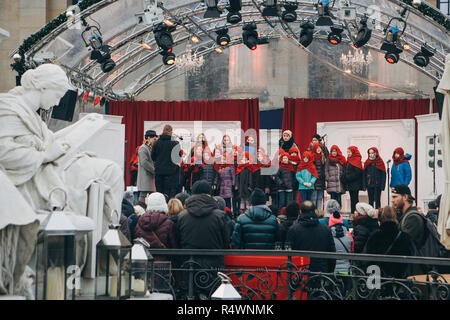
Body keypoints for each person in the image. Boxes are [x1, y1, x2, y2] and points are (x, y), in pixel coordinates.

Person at [176, 180, 230, 298]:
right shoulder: (219, 215)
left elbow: (178, 241)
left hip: (189, 264)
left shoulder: (182, 216)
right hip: (214, 266)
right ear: (209, 195)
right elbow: (226, 243)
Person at [365, 206, 415, 278]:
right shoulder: (404, 236)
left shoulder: (375, 236)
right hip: (399, 278)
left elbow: (368, 256)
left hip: (379, 277)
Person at [287, 201, 336, 273]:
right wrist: (330, 271)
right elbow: (332, 252)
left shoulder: (293, 230)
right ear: (315, 211)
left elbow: (289, 253)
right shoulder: (326, 229)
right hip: (321, 271)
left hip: (300, 271)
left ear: (300, 212)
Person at [134, 193, 177, 264]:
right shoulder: (168, 223)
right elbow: (173, 245)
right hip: (163, 264)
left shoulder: (140, 222)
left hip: (144, 263)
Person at [151, 124, 181, 199]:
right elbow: (177, 158)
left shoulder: (156, 143)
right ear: (171, 131)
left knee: (159, 194)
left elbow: (153, 157)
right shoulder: (175, 143)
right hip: (171, 172)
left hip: (159, 172)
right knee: (169, 194)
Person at [137, 130, 158, 202]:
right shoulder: (143, 148)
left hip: (149, 176)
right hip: (145, 176)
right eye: (154, 139)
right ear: (148, 138)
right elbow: (144, 162)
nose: (155, 141)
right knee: (143, 195)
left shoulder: (149, 148)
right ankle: (140, 209)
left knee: (149, 195)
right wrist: (154, 170)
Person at [342, 146, 364, 214]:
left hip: (355, 184)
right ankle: (352, 213)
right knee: (352, 199)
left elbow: (358, 173)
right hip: (350, 184)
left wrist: (348, 178)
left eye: (349, 152)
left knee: (355, 199)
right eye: (347, 152)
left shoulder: (357, 160)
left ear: (353, 152)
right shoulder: (349, 159)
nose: (348, 153)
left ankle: (356, 212)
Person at [311, 142, 326, 210]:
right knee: (314, 198)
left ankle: (319, 212)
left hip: (321, 180)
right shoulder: (312, 157)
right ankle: (314, 212)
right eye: (317, 148)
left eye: (320, 148)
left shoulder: (323, 157)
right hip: (314, 180)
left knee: (320, 198)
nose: (318, 149)